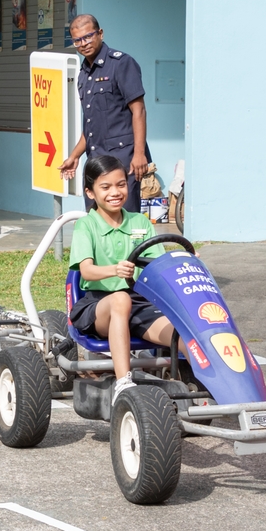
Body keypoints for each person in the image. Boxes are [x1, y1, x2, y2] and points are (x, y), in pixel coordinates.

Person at [67, 155, 175, 405]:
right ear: (90, 192)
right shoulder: (86, 225)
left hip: (138, 305)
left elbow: (156, 265)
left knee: (181, 334)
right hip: (99, 307)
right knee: (119, 300)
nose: (115, 192)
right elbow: (86, 272)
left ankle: (212, 391)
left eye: (121, 184)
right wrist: (115, 270)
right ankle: (124, 383)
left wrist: (182, 260)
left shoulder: (139, 222)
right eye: (105, 187)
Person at [58, 15, 153, 212]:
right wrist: (75, 156)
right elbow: (91, 126)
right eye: (77, 40)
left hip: (123, 159)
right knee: (96, 220)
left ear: (100, 34)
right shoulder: (84, 73)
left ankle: (134, 245)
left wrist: (139, 153)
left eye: (88, 37)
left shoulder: (121, 64)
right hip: (96, 160)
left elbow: (139, 111)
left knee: (126, 219)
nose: (83, 44)